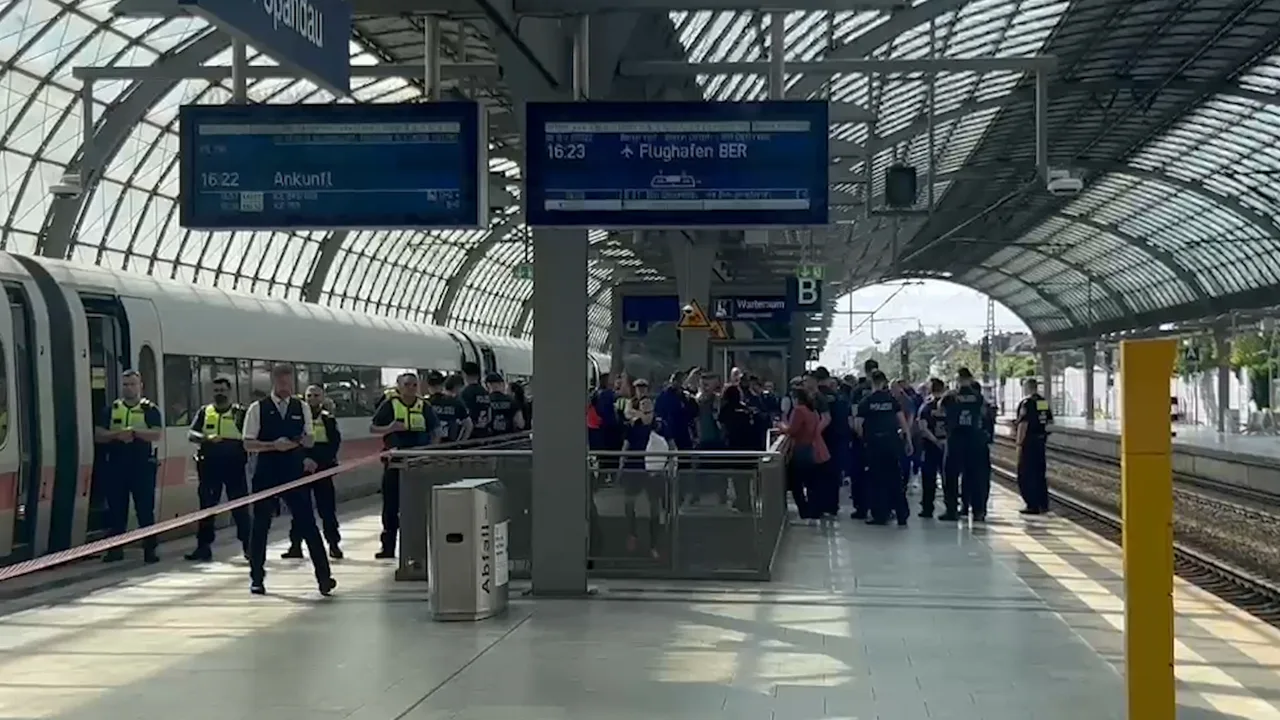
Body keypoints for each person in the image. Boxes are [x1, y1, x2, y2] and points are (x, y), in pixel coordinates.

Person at [242, 363, 335, 596]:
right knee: (260, 526)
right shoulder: (257, 408)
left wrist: (297, 443)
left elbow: (310, 439)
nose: (285, 386)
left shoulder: (301, 406)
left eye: (289, 382)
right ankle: (257, 577)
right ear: (273, 381)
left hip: (293, 473)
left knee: (308, 524)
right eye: (281, 382)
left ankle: (324, 577)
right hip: (266, 472)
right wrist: (272, 445)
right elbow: (248, 442)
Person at [94, 369, 163, 563]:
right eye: (125, 384)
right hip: (116, 465)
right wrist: (116, 435)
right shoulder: (111, 409)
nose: (129, 388)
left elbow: (156, 434)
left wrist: (134, 433)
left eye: (132, 384)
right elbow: (98, 434)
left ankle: (150, 549)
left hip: (142, 466)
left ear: (140, 386)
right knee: (116, 510)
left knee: (144, 510)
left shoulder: (150, 409)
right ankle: (115, 549)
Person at [370, 372, 439, 559]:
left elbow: (435, 431)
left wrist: (430, 451)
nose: (411, 388)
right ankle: (388, 547)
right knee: (391, 507)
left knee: (418, 507)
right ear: (398, 386)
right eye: (407, 384)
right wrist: (390, 428)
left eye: (414, 385)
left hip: (418, 464)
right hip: (395, 465)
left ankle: (418, 548)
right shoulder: (389, 406)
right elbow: (373, 428)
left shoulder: (424, 406)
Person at [184, 376, 250, 562]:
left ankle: (248, 547)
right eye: (216, 390)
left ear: (229, 391)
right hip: (209, 467)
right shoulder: (205, 412)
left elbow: (251, 434)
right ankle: (203, 548)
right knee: (206, 509)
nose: (219, 393)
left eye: (222, 390)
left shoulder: (239, 413)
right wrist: (206, 438)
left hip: (234, 467)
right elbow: (192, 433)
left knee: (240, 508)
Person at [282, 384, 343, 560]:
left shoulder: (328, 419)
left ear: (322, 398)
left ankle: (333, 545)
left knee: (327, 510)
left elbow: (333, 445)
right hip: (301, 471)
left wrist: (317, 461)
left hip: (322, 471)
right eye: (309, 396)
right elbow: (293, 442)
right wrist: (303, 460)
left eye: (316, 396)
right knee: (300, 509)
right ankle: (295, 546)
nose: (312, 399)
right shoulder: (296, 418)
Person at [855, 370, 913, 526]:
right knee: (895, 478)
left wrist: (865, 439)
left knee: (877, 480)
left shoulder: (866, 402)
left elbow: (858, 426)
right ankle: (902, 514)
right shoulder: (892, 400)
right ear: (884, 382)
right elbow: (902, 422)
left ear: (872, 382)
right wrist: (908, 440)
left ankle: (880, 514)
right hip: (892, 443)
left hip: (875, 444)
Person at [620, 393, 665, 557]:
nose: (647, 412)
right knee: (629, 504)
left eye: (649, 409)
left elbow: (671, 445)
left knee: (654, 508)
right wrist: (621, 466)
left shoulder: (660, 426)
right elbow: (625, 447)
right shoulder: (632, 426)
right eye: (643, 408)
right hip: (634, 469)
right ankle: (632, 534)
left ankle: (654, 544)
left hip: (653, 472)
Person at [941, 367, 989, 522]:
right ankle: (978, 511)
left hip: (955, 440)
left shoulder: (950, 396)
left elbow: (940, 411)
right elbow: (983, 415)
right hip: (974, 440)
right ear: (971, 379)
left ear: (958, 379)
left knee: (951, 477)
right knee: (976, 477)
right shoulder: (979, 397)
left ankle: (952, 510)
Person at [778, 386, 828, 521]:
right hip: (810, 449)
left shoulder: (799, 410)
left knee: (796, 483)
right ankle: (815, 509)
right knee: (811, 482)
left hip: (800, 449)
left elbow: (792, 430)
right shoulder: (812, 411)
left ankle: (804, 510)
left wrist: (781, 426)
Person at [1015, 377, 1053, 514]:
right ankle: (1043, 504)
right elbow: (1048, 422)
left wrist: (1019, 444)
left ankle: (1032, 504)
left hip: (1029, 443)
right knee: (1039, 473)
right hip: (1040, 442)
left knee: (1026, 474)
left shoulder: (1027, 403)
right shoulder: (1042, 402)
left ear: (1027, 388)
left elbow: (1023, 425)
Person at [718, 385, 758, 512]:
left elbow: (722, 426)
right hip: (747, 447)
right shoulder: (746, 409)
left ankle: (741, 501)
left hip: (733, 447)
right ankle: (746, 501)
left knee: (737, 476)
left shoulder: (725, 409)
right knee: (746, 477)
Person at [915, 378, 949, 519]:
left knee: (929, 479)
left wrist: (934, 440)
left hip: (929, 447)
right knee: (948, 478)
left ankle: (928, 508)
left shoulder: (926, 407)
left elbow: (923, 428)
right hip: (947, 446)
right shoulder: (949, 406)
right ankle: (950, 507)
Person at [427, 372, 473, 443]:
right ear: (443, 384)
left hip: (431, 446)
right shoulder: (455, 402)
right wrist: (461, 442)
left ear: (428, 386)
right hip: (450, 445)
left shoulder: (425, 403)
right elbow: (469, 425)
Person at [460, 362, 491, 439]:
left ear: (464, 374)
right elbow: (490, 415)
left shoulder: (465, 393)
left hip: (471, 435)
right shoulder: (485, 392)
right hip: (484, 433)